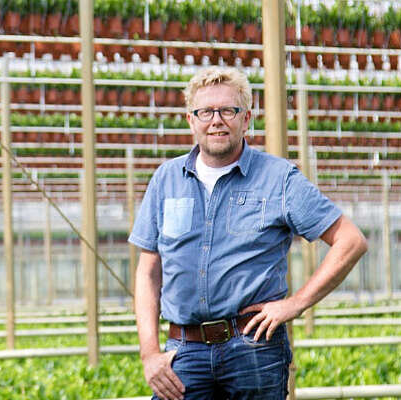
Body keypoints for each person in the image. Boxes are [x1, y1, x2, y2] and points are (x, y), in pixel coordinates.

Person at [129, 66, 367, 400]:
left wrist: (296, 304)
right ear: (190, 119)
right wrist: (149, 353)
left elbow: (351, 240)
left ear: (246, 118)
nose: (216, 120)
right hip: (182, 353)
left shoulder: (278, 178)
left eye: (228, 110)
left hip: (253, 349)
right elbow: (148, 271)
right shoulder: (165, 180)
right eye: (206, 111)